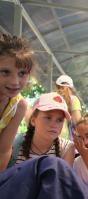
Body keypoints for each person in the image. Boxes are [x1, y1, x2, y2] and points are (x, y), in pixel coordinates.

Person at [9, 92, 75, 167]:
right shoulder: (14, 143)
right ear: (33, 121)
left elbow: (64, 178)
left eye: (59, 120)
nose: (54, 125)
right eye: (48, 118)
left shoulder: (66, 148)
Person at [0, 33, 32, 171]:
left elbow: (3, 151)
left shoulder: (19, 106)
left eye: (22, 73)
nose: (15, 82)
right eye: (5, 72)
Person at [55, 74, 82, 139]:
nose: (60, 90)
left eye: (61, 88)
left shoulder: (53, 98)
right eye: (59, 88)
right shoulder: (73, 99)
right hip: (64, 138)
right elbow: (77, 121)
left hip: (53, 135)